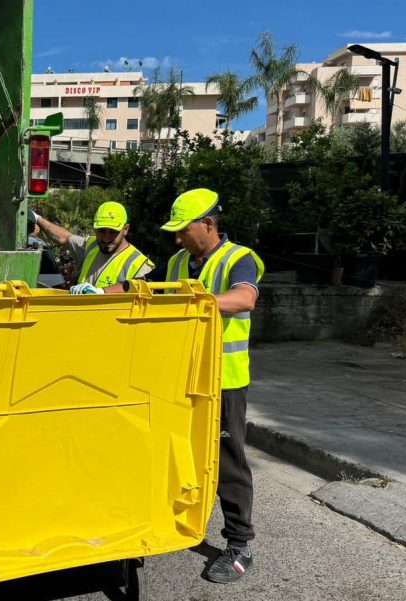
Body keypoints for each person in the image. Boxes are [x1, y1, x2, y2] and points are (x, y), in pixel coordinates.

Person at [159, 188, 264, 584]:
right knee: (176, 453)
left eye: (182, 231)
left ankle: (239, 546)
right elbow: (145, 289)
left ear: (208, 224)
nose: (177, 239)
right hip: (178, 379)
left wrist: (194, 304)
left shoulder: (238, 259)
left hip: (224, 381)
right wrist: (100, 292)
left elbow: (244, 299)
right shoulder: (176, 261)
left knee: (227, 462)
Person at [31, 201, 154, 294]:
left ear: (125, 229)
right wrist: (37, 218)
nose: (106, 238)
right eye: (101, 231)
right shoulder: (91, 245)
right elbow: (64, 237)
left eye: (112, 232)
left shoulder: (138, 263)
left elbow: (139, 286)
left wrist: (101, 292)